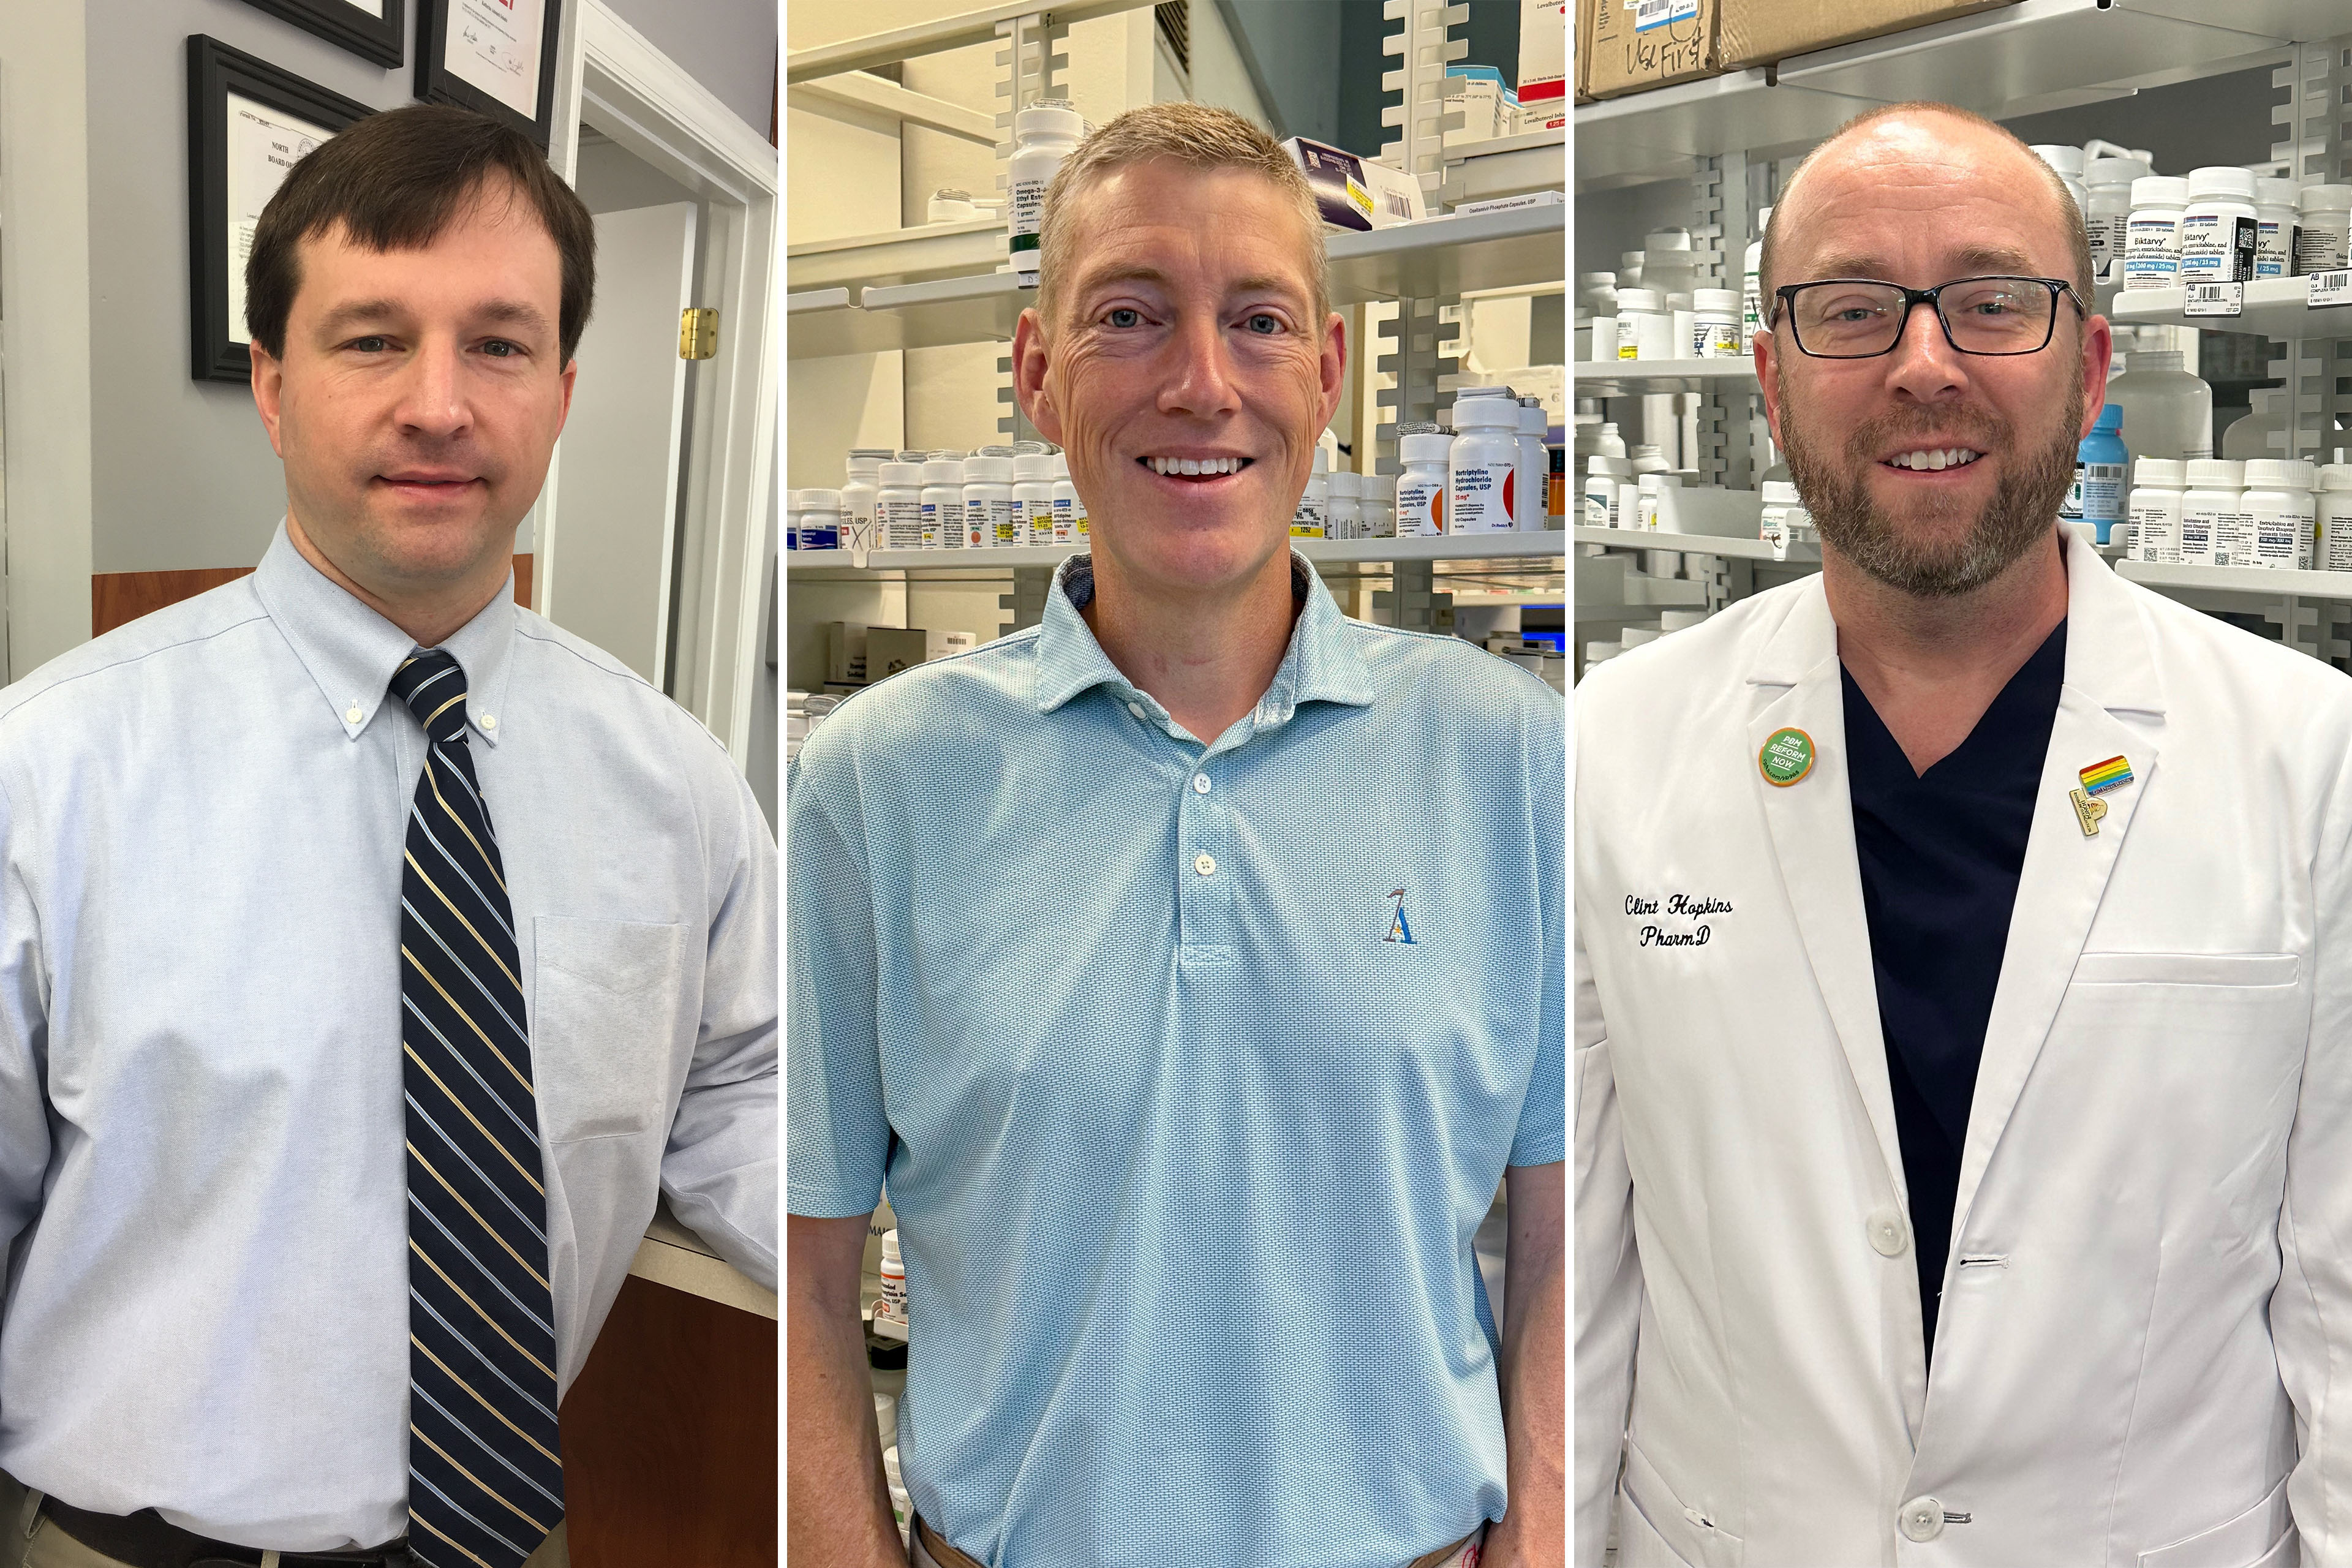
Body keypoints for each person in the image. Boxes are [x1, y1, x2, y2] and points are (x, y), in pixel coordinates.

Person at [1575, 99, 2352, 1565]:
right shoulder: (1608, 750)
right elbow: (1580, 1276)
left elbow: (2342, 1296)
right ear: (1770, 376)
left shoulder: (2309, 757)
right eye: (1854, 309)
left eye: (1993, 302)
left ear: (2090, 360)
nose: (1925, 365)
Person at [788, 102, 1564, 1568]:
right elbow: (809, 1278)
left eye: (1259, 319)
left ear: (1326, 375)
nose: (1203, 384)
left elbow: (1562, 1237)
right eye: (1129, 317)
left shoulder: (1508, 757)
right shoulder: (877, 784)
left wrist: (1540, 1540)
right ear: (1036, 372)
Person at [0, 104, 775, 1568]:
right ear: (275, 386)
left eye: (498, 343)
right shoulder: (49, 771)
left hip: (515, 1541)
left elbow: (745, 1082)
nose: (439, 403)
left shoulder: (674, 781)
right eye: (371, 340)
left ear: (560, 388)